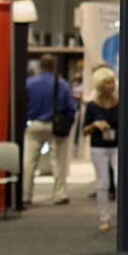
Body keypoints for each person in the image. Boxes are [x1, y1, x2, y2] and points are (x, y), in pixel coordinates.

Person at [23, 53, 75, 204]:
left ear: (40, 65)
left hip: (34, 124)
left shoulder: (29, 83)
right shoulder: (62, 84)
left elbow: (23, 105)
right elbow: (70, 108)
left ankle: (26, 195)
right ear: (54, 66)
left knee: (29, 163)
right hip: (56, 126)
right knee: (58, 162)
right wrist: (68, 123)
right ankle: (60, 194)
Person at [83, 66, 119, 232]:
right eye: (107, 83)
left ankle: (122, 216)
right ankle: (104, 218)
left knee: (119, 181)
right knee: (103, 183)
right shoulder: (92, 106)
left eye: (112, 82)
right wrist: (95, 125)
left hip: (117, 146)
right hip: (99, 147)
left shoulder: (119, 103)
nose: (110, 86)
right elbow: (84, 130)